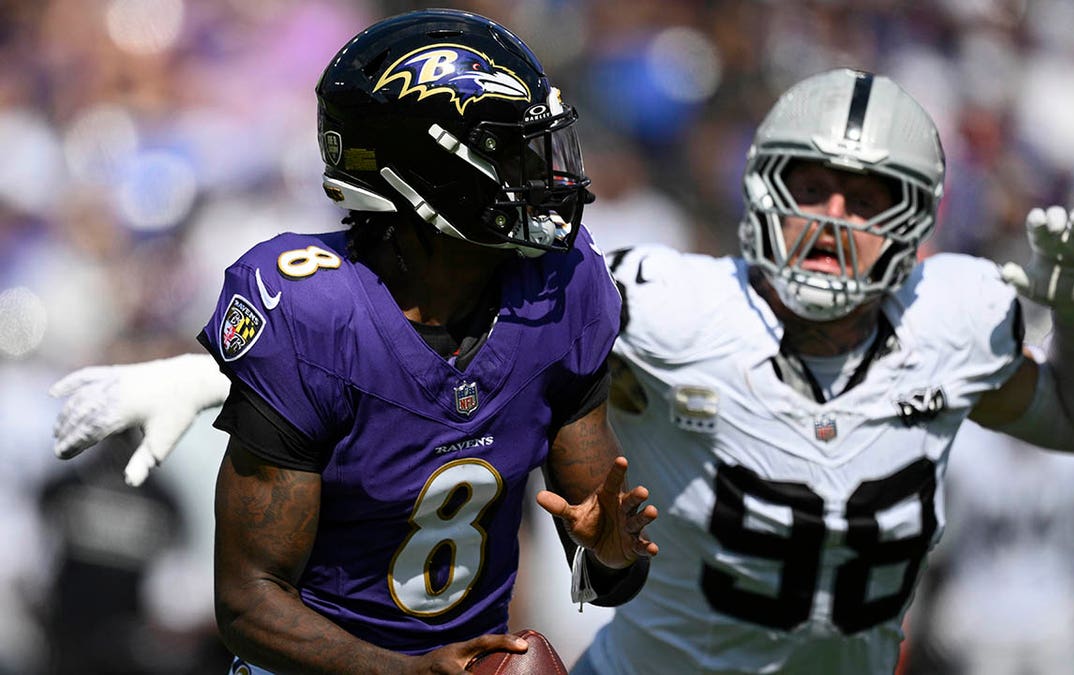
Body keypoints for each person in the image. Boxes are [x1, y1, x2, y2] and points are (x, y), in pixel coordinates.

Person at [51, 68, 1074, 674]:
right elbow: (426, 310)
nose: (829, 227)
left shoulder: (958, 315)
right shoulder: (659, 301)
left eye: (867, 201)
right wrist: (213, 371)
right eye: (810, 187)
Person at [55, 9, 660, 675]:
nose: (543, 174)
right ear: (428, 171)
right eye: (509, 150)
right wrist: (407, 672)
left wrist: (609, 553)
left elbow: (604, 568)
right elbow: (249, 604)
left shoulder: (561, 288)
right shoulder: (315, 311)